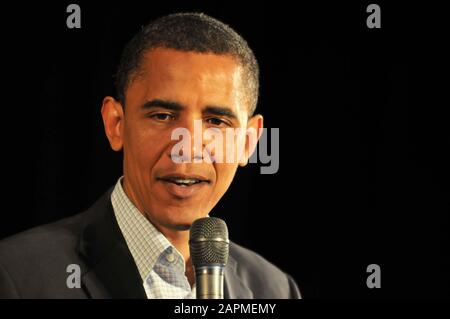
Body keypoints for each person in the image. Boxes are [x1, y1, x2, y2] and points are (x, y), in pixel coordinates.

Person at [0, 12, 301, 299]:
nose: (187, 148)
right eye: (163, 116)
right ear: (115, 124)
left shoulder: (275, 289)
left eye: (216, 122)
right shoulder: (16, 275)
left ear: (248, 142)